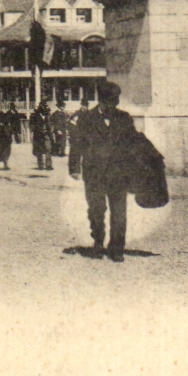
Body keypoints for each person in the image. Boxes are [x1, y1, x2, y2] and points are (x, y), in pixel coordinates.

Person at [68, 80, 136, 262]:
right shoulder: (86, 119)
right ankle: (98, 242)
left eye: (115, 102)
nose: (112, 106)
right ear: (101, 100)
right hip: (94, 173)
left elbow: (133, 145)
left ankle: (117, 248)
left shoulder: (124, 118)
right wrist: (74, 167)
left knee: (119, 212)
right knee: (96, 210)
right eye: (109, 102)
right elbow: (77, 144)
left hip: (118, 173)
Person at [30, 98, 53, 171]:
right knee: (39, 150)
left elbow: (51, 124)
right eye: (44, 106)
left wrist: (51, 131)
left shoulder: (48, 115)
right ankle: (40, 165)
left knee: (48, 149)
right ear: (40, 107)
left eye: (46, 106)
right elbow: (32, 125)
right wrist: (33, 131)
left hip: (46, 134)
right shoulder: (34, 115)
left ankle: (48, 165)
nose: (45, 108)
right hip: (38, 135)